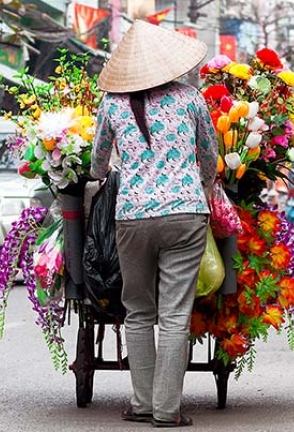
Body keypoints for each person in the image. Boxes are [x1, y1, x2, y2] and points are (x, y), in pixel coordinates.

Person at [90, 20, 217, 428]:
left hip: (132, 216)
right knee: (175, 314)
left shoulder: (112, 104)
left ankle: (143, 403)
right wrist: (204, 184)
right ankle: (166, 410)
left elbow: (97, 165)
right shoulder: (191, 98)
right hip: (185, 214)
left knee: (139, 311)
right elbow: (209, 156)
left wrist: (111, 170)